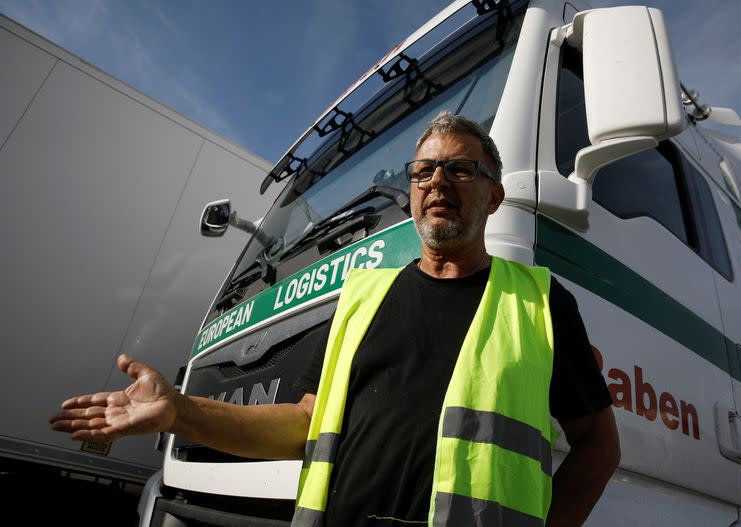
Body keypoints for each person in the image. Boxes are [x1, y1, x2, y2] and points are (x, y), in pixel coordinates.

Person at [50, 112, 619, 527]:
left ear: (495, 197)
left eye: (460, 169)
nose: (437, 182)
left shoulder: (539, 303)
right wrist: (181, 411)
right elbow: (303, 421)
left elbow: (597, 445)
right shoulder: (361, 298)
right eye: (422, 172)